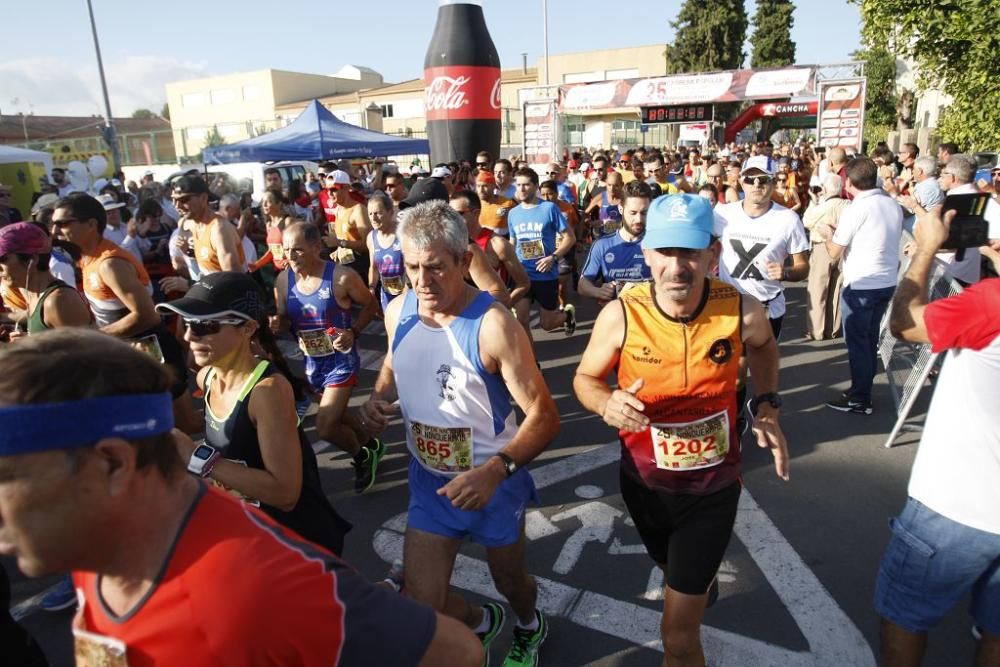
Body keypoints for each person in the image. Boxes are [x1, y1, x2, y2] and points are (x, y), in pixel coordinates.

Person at [0, 329, 484, 666]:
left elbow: (456, 654)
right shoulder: (93, 545)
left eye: (7, 475)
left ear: (111, 464)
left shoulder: (252, 591)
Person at [573, 193, 789, 667]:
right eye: (666, 252)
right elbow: (584, 380)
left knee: (678, 636)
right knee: (670, 565)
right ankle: (689, 574)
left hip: (713, 489)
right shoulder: (622, 315)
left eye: (690, 252)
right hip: (644, 484)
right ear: (647, 253)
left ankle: (692, 582)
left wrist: (767, 405)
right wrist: (605, 401)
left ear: (713, 254)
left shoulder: (740, 310)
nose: (678, 267)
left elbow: (765, 348)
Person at [360, 200, 560, 667]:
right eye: (412, 268)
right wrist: (378, 396)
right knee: (420, 605)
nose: (422, 283)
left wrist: (496, 470)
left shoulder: (494, 326)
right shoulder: (399, 309)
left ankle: (529, 625)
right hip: (430, 482)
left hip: (493, 484)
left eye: (435, 269)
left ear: (464, 262)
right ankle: (478, 621)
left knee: (512, 583)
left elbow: (545, 416)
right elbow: (393, 359)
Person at [877, 206, 1000, 667]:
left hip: (955, 507)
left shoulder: (991, 301)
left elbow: (905, 323)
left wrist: (927, 247)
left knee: (904, 616)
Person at [156, 271, 352, 554]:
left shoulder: (268, 392)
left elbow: (285, 493)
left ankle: (392, 587)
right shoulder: (207, 377)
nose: (188, 335)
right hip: (250, 532)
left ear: (247, 328)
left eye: (204, 325)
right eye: (187, 323)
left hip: (296, 542)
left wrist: (198, 459)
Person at [272, 222, 384, 493]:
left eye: (298, 249)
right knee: (337, 415)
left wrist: (353, 331)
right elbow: (285, 321)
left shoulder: (341, 277)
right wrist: (277, 323)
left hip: (341, 361)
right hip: (312, 362)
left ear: (316, 247)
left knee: (325, 425)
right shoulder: (283, 280)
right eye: (286, 250)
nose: (291, 256)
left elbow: (371, 304)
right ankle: (370, 443)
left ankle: (361, 456)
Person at [819, 157, 902, 414]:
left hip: (862, 284)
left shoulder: (856, 209)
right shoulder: (892, 204)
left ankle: (859, 398)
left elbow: (834, 252)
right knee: (868, 341)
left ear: (848, 182)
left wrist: (827, 235)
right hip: (886, 282)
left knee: (859, 343)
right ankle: (861, 390)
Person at [714, 156, 810, 339]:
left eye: (763, 179)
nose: (756, 184)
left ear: (773, 182)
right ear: (742, 183)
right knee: (734, 366)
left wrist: (786, 273)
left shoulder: (788, 219)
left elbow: (803, 266)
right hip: (729, 306)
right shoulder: (722, 214)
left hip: (768, 308)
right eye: (750, 179)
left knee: (763, 366)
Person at [508, 167, 577, 341]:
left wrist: (553, 257)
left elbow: (570, 238)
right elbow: (512, 243)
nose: (521, 189)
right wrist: (509, 265)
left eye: (526, 185)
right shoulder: (513, 213)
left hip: (546, 275)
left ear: (535, 186)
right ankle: (532, 364)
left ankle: (567, 315)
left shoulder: (548, 209)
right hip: (523, 275)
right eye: (519, 185)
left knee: (547, 324)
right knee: (521, 320)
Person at [0, 222, 90, 336]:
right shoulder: (33, 294)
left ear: (31, 260)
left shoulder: (59, 300)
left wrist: (32, 346)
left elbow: (84, 351)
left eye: (2, 260)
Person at [450, 189, 530, 307]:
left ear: (476, 213)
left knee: (543, 323)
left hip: (490, 313)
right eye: (450, 214)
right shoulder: (449, 242)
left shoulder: (497, 244)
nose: (452, 220)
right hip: (463, 313)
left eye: (459, 214)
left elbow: (523, 283)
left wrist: (502, 308)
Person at [578, 180, 653, 303]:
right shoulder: (602, 245)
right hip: (616, 318)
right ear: (621, 209)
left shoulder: (658, 245)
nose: (639, 219)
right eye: (633, 213)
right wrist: (599, 292)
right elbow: (582, 285)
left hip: (648, 319)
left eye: (644, 213)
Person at [802, 174, 849, 340]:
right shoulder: (848, 205)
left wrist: (813, 201)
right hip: (843, 248)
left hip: (823, 247)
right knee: (836, 289)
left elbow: (807, 220)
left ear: (826, 188)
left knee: (817, 289)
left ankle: (817, 330)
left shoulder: (824, 206)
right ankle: (833, 329)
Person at [172, 176, 244, 274]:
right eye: (174, 200)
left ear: (203, 198)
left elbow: (233, 280)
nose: (177, 206)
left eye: (184, 199)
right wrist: (189, 252)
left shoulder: (219, 229)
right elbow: (208, 260)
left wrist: (191, 285)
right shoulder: (191, 224)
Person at [323, 170, 372, 277]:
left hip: (361, 270)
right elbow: (345, 238)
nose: (329, 194)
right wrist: (339, 251)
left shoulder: (358, 210)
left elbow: (369, 245)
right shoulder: (338, 209)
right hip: (345, 269)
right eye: (327, 190)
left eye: (334, 189)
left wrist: (340, 243)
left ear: (346, 188)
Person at [367, 191, 406, 311]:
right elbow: (373, 267)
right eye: (370, 214)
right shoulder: (371, 237)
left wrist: (408, 290)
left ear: (390, 212)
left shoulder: (404, 233)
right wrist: (372, 287)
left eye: (378, 213)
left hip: (408, 293)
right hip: (386, 295)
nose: (373, 218)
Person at [248, 190, 295, 274]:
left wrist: (290, 260)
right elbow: (272, 251)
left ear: (279, 204)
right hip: (278, 271)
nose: (264, 205)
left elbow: (298, 246)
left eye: (269, 201)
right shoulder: (269, 225)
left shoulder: (288, 221)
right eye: (263, 201)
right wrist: (257, 265)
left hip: (292, 268)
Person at [585, 170, 625, 241]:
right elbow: (585, 216)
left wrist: (605, 223)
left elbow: (631, 223)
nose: (612, 189)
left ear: (622, 184)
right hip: (602, 239)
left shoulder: (627, 200)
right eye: (609, 185)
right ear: (606, 184)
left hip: (620, 240)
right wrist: (589, 223)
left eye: (616, 185)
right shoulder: (600, 197)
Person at [475, 172, 516, 237]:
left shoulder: (508, 203)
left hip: (502, 243)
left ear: (493, 186)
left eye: (485, 186)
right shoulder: (474, 204)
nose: (481, 190)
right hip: (480, 244)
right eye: (478, 186)